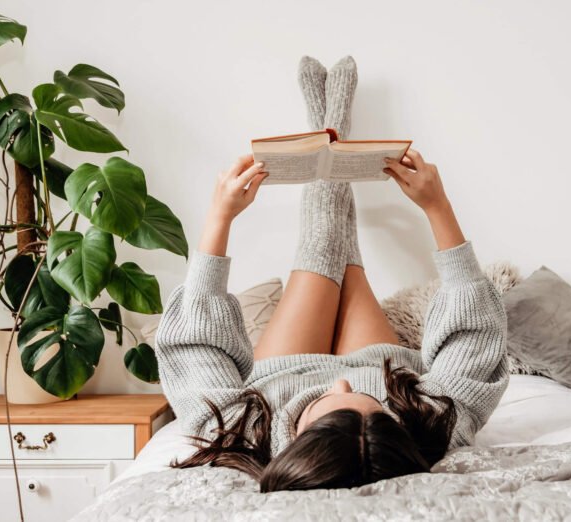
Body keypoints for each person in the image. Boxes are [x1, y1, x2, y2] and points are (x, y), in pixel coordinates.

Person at [155, 56, 509, 492]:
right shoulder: (430, 427)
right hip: (384, 363)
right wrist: (438, 207)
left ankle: (328, 125)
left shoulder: (241, 431)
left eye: (323, 403)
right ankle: (334, 128)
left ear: (294, 446)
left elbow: (193, 348)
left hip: (282, 370)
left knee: (321, 251)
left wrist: (219, 217)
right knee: (346, 261)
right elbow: (474, 338)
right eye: (377, 409)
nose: (339, 381)